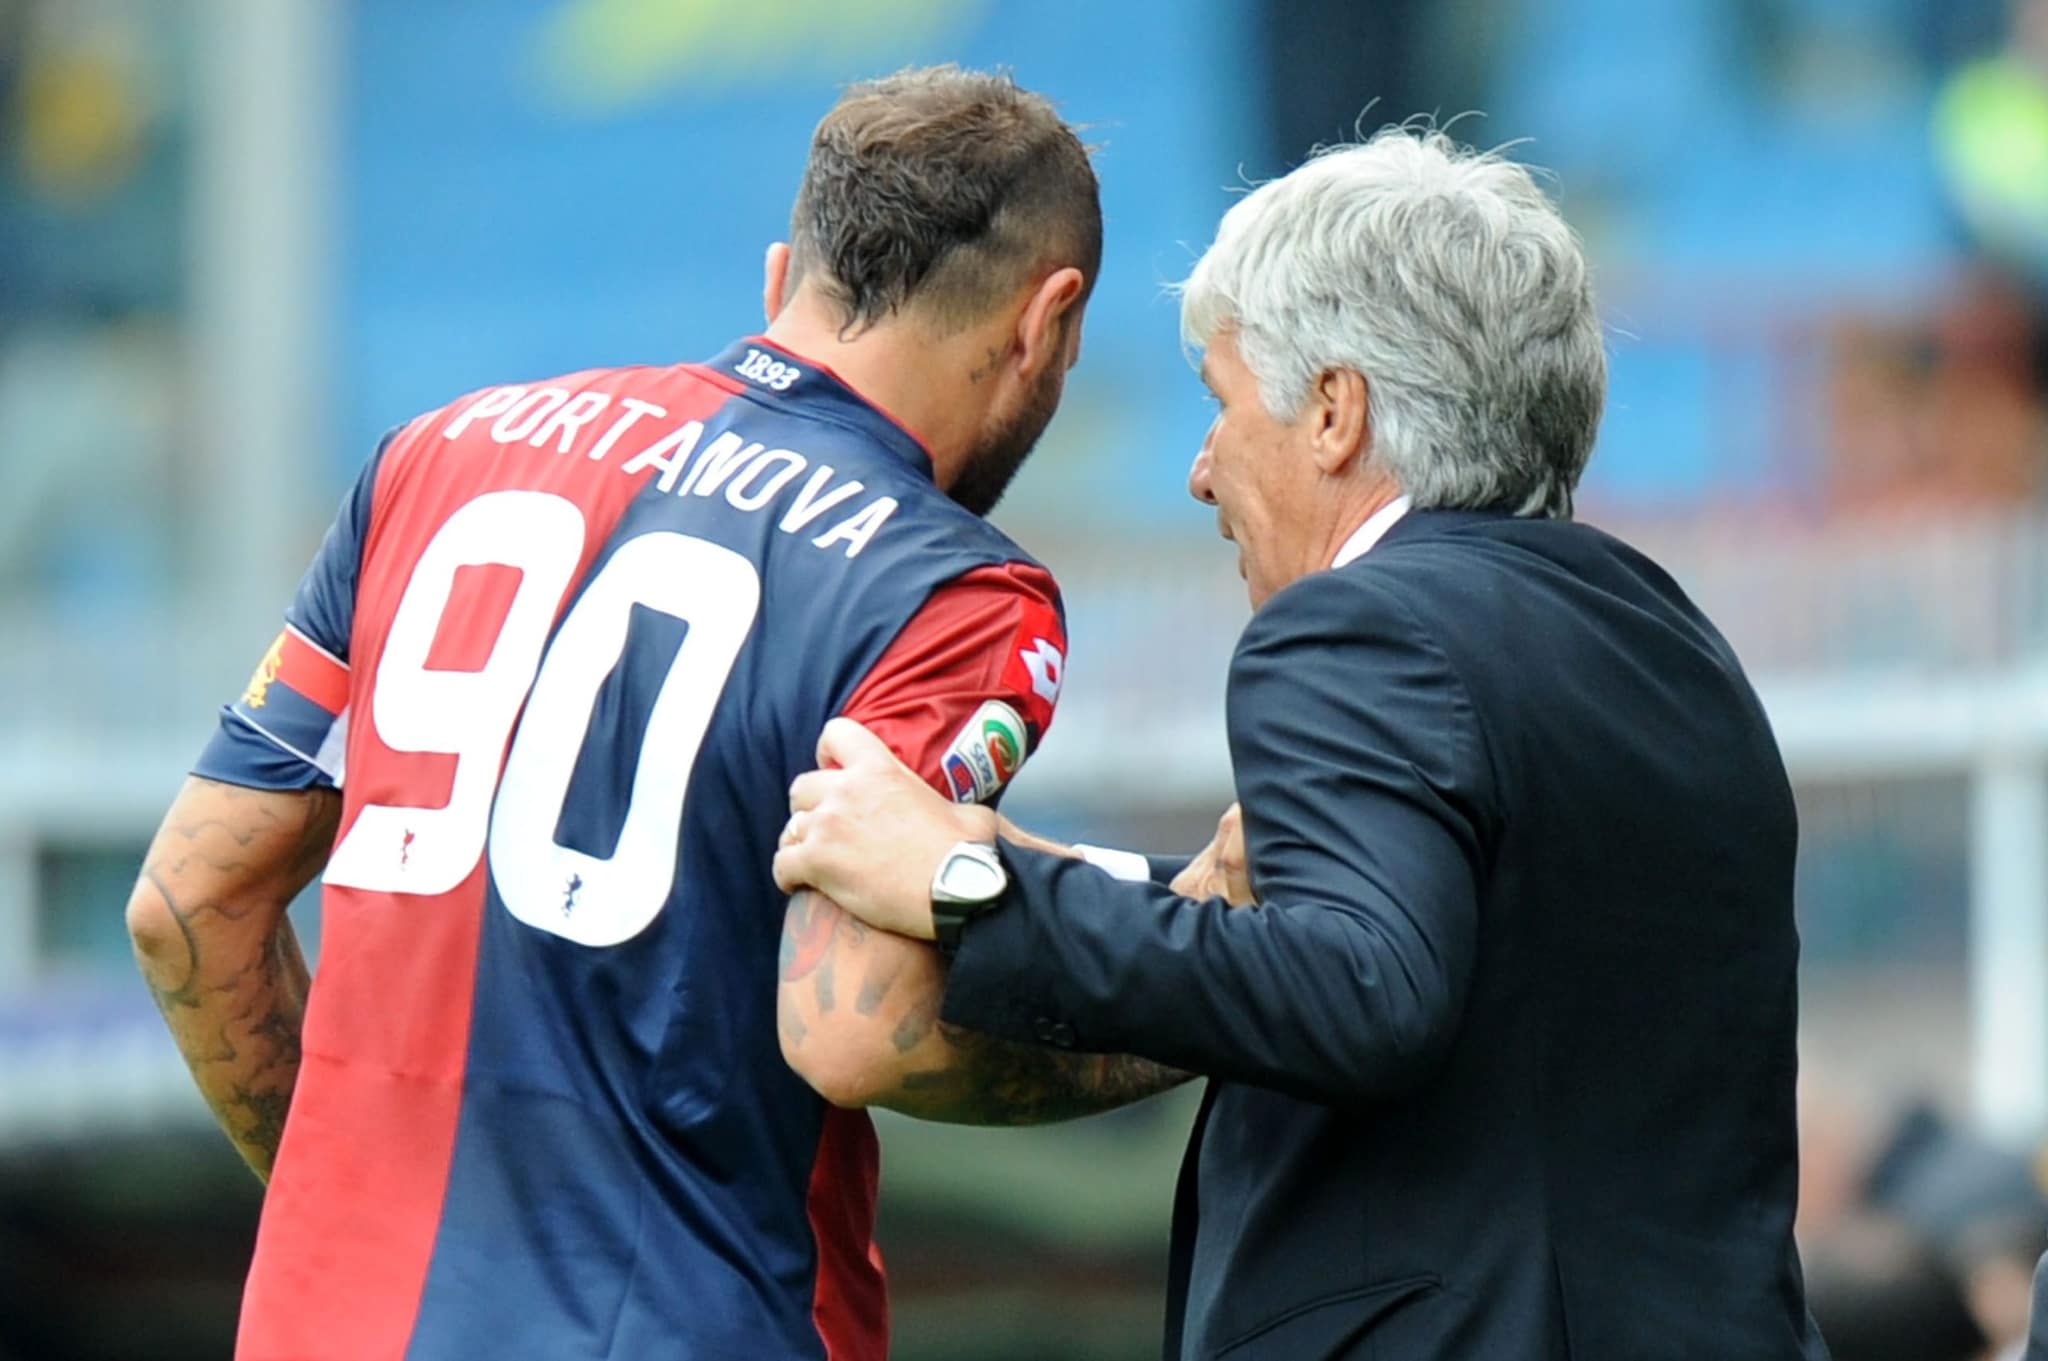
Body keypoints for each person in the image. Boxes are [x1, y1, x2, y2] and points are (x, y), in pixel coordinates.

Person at [123, 65, 1179, 1361]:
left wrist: (349, 1204)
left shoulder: (433, 457)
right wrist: (1201, 1008)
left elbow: (186, 907)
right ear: (1048, 321)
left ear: (785, 272)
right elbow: (861, 1025)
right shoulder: (952, 591)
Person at [773, 127, 1832, 1360]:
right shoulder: (1670, 645)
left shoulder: (1353, 625)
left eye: (1222, 404)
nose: (1199, 469)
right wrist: (1142, 891)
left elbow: (1366, 988)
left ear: (1333, 412)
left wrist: (964, 881)